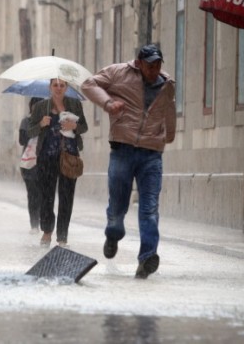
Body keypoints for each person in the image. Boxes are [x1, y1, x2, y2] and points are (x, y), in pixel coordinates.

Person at [81, 44, 176, 279]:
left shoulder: (167, 84)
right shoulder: (118, 73)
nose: (154, 70)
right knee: (117, 204)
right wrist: (108, 104)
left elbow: (168, 108)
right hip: (122, 149)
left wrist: (169, 134)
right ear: (139, 63)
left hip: (152, 154)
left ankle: (147, 258)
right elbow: (88, 84)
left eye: (158, 65)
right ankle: (113, 234)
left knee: (149, 208)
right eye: (150, 65)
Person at [28, 78, 88, 247]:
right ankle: (47, 231)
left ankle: (62, 236)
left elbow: (84, 127)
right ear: (50, 87)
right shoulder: (41, 107)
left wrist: (74, 126)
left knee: (67, 197)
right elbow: (29, 131)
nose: (59, 88)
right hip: (46, 157)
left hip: (69, 157)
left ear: (66, 87)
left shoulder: (75, 105)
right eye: (55, 85)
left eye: (62, 85)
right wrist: (41, 123)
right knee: (46, 197)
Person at [19, 97, 43, 233]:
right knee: (32, 194)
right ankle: (34, 224)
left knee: (44, 195)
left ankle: (43, 221)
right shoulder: (26, 121)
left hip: (44, 163)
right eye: (35, 105)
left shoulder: (48, 121)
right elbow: (22, 140)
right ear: (31, 106)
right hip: (28, 163)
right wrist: (36, 127)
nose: (36, 108)